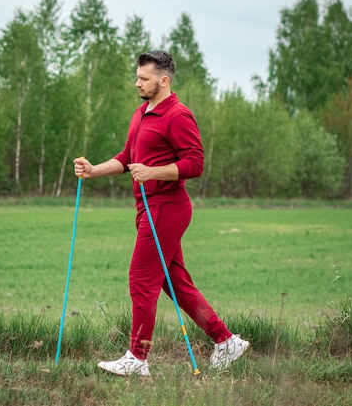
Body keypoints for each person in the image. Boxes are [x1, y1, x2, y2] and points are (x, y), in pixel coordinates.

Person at [73, 50, 249, 376]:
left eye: (144, 78)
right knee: (175, 283)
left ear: (163, 80)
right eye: (137, 76)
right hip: (146, 208)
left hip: (167, 208)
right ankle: (226, 342)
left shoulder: (179, 115)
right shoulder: (141, 112)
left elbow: (194, 164)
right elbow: (128, 157)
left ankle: (137, 358)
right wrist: (94, 170)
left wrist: (154, 173)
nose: (137, 82)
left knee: (141, 279)